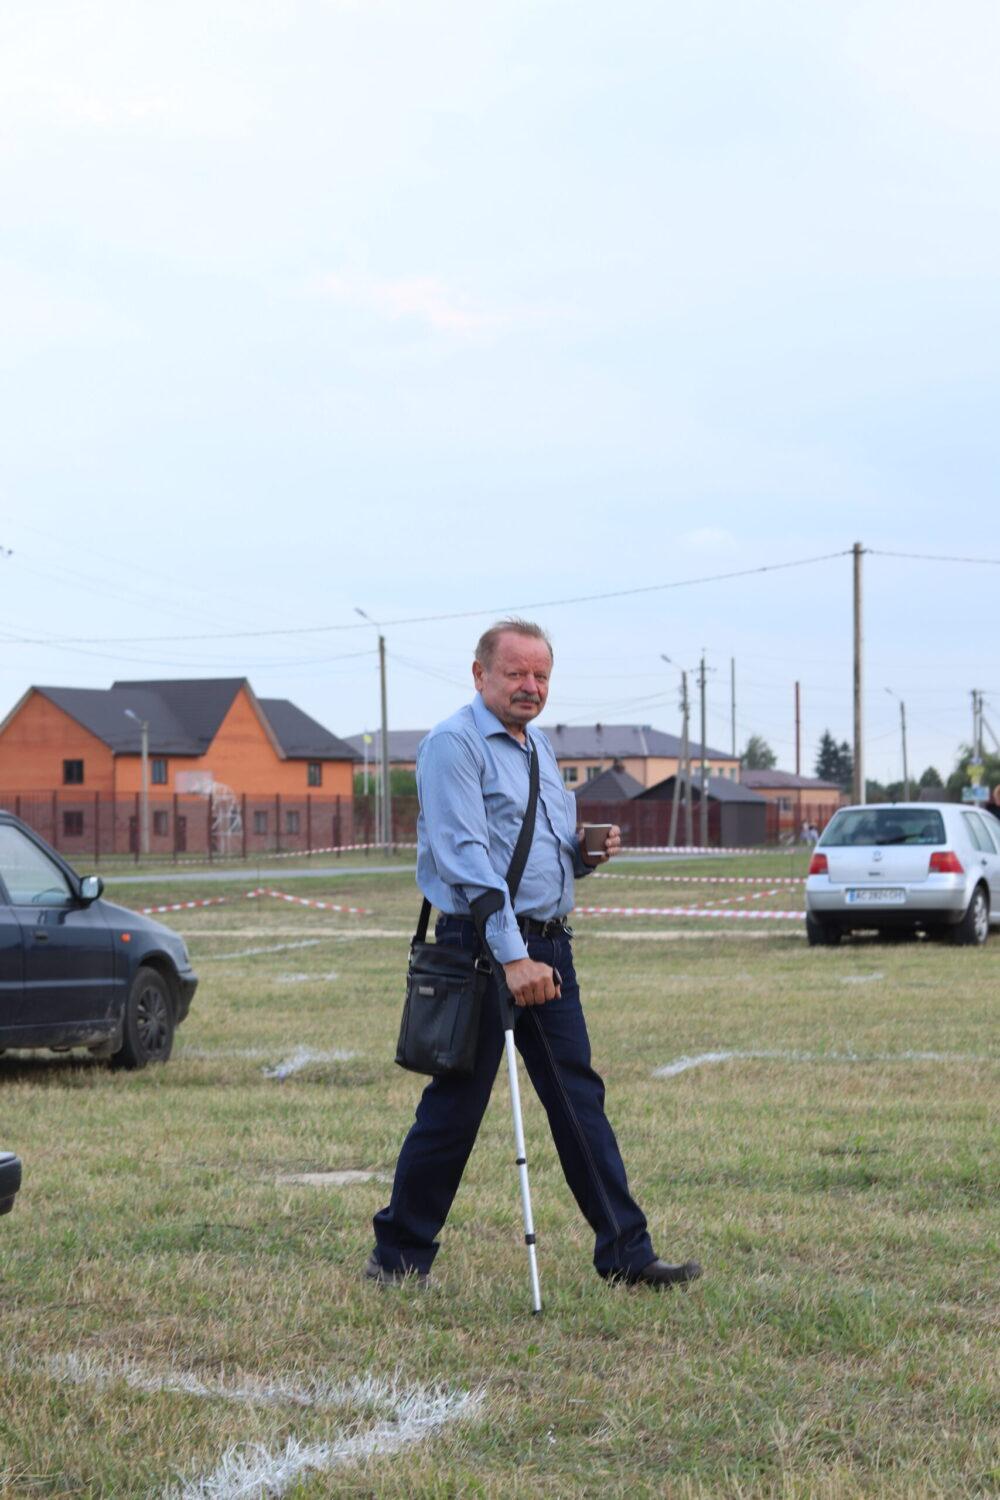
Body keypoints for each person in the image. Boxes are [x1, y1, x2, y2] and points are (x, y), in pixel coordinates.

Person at [366, 618, 701, 1290]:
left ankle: (627, 1256)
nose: (530, 686)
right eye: (516, 672)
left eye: (541, 675)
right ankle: (398, 1257)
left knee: (579, 1101)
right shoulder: (453, 745)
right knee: (455, 1110)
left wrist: (584, 855)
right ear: (480, 674)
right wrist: (513, 958)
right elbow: (466, 859)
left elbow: (542, 853)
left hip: (549, 947)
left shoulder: (541, 748)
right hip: (483, 949)